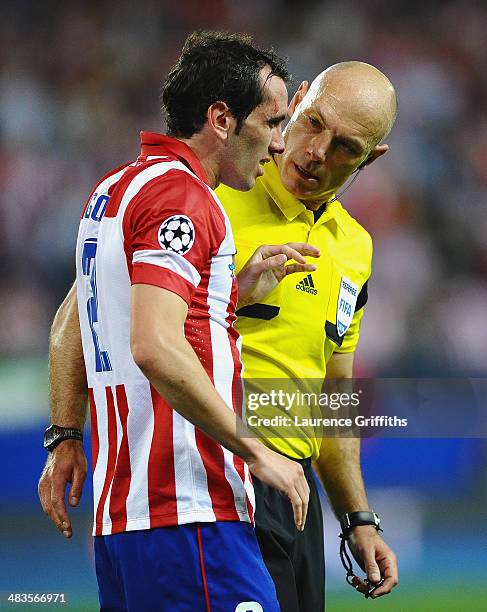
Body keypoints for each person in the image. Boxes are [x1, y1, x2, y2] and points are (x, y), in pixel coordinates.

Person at [38, 31, 321, 612]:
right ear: (221, 118)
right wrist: (257, 451)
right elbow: (154, 345)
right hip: (190, 513)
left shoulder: (112, 191)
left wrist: (65, 437)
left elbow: (76, 320)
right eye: (271, 123)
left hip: (124, 522)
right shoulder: (184, 198)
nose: (276, 146)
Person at [216, 61, 399, 610]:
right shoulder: (213, 195)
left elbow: (333, 397)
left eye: (346, 146)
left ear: (372, 158)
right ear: (294, 100)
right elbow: (99, 315)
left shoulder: (355, 249)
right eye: (314, 122)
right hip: (215, 476)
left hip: (294, 495)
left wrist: (358, 518)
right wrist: (65, 435)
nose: (317, 152)